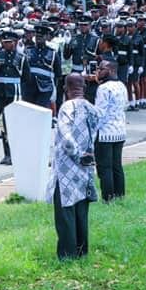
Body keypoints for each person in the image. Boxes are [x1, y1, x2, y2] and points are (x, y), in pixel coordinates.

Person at [47, 74, 100, 260]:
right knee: (81, 210)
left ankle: (67, 254)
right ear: (84, 87)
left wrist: (77, 154)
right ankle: (81, 250)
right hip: (85, 167)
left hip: (66, 169)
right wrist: (86, 156)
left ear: (65, 88)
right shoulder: (92, 108)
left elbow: (66, 137)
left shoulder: (66, 107)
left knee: (65, 213)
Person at [0, 29, 29, 165]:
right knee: (3, 124)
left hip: (15, 92)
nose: (8, 45)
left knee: (15, 124)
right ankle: (7, 154)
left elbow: (26, 78)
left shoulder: (22, 58)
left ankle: (18, 153)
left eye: (10, 42)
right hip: (1, 93)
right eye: (5, 42)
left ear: (16, 42)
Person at [92, 59, 126, 202]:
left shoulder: (104, 89)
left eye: (101, 69)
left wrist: (93, 130)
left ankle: (108, 197)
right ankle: (120, 195)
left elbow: (100, 113)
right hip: (120, 131)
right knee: (117, 166)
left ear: (111, 70)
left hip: (105, 133)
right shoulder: (122, 85)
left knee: (105, 168)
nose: (98, 71)